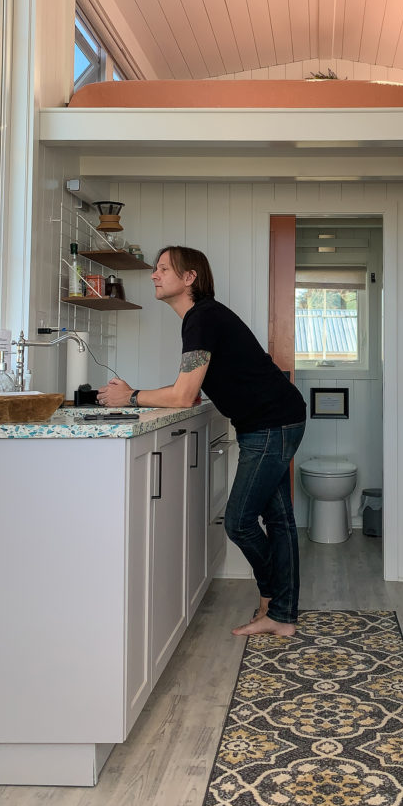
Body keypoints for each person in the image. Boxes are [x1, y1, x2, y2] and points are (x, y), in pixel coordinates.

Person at [98, 245, 307, 637]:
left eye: (163, 269)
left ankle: (276, 601)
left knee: (239, 521)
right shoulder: (202, 319)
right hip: (270, 420)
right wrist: (156, 393)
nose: (154, 275)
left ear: (190, 277)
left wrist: (130, 395)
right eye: (155, 269)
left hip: (273, 423)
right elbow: (190, 391)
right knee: (278, 519)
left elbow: (181, 395)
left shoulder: (201, 318)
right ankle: (282, 614)